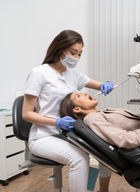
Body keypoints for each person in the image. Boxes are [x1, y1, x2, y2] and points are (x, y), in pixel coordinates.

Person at [22, 30, 114, 192]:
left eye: (80, 54)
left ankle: (102, 190)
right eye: (73, 53)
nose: (77, 58)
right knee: (79, 158)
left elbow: (98, 84)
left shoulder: (72, 74)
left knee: (105, 150)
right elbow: (26, 114)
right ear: (60, 48)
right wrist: (57, 122)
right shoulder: (39, 74)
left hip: (68, 134)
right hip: (44, 136)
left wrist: (105, 84)